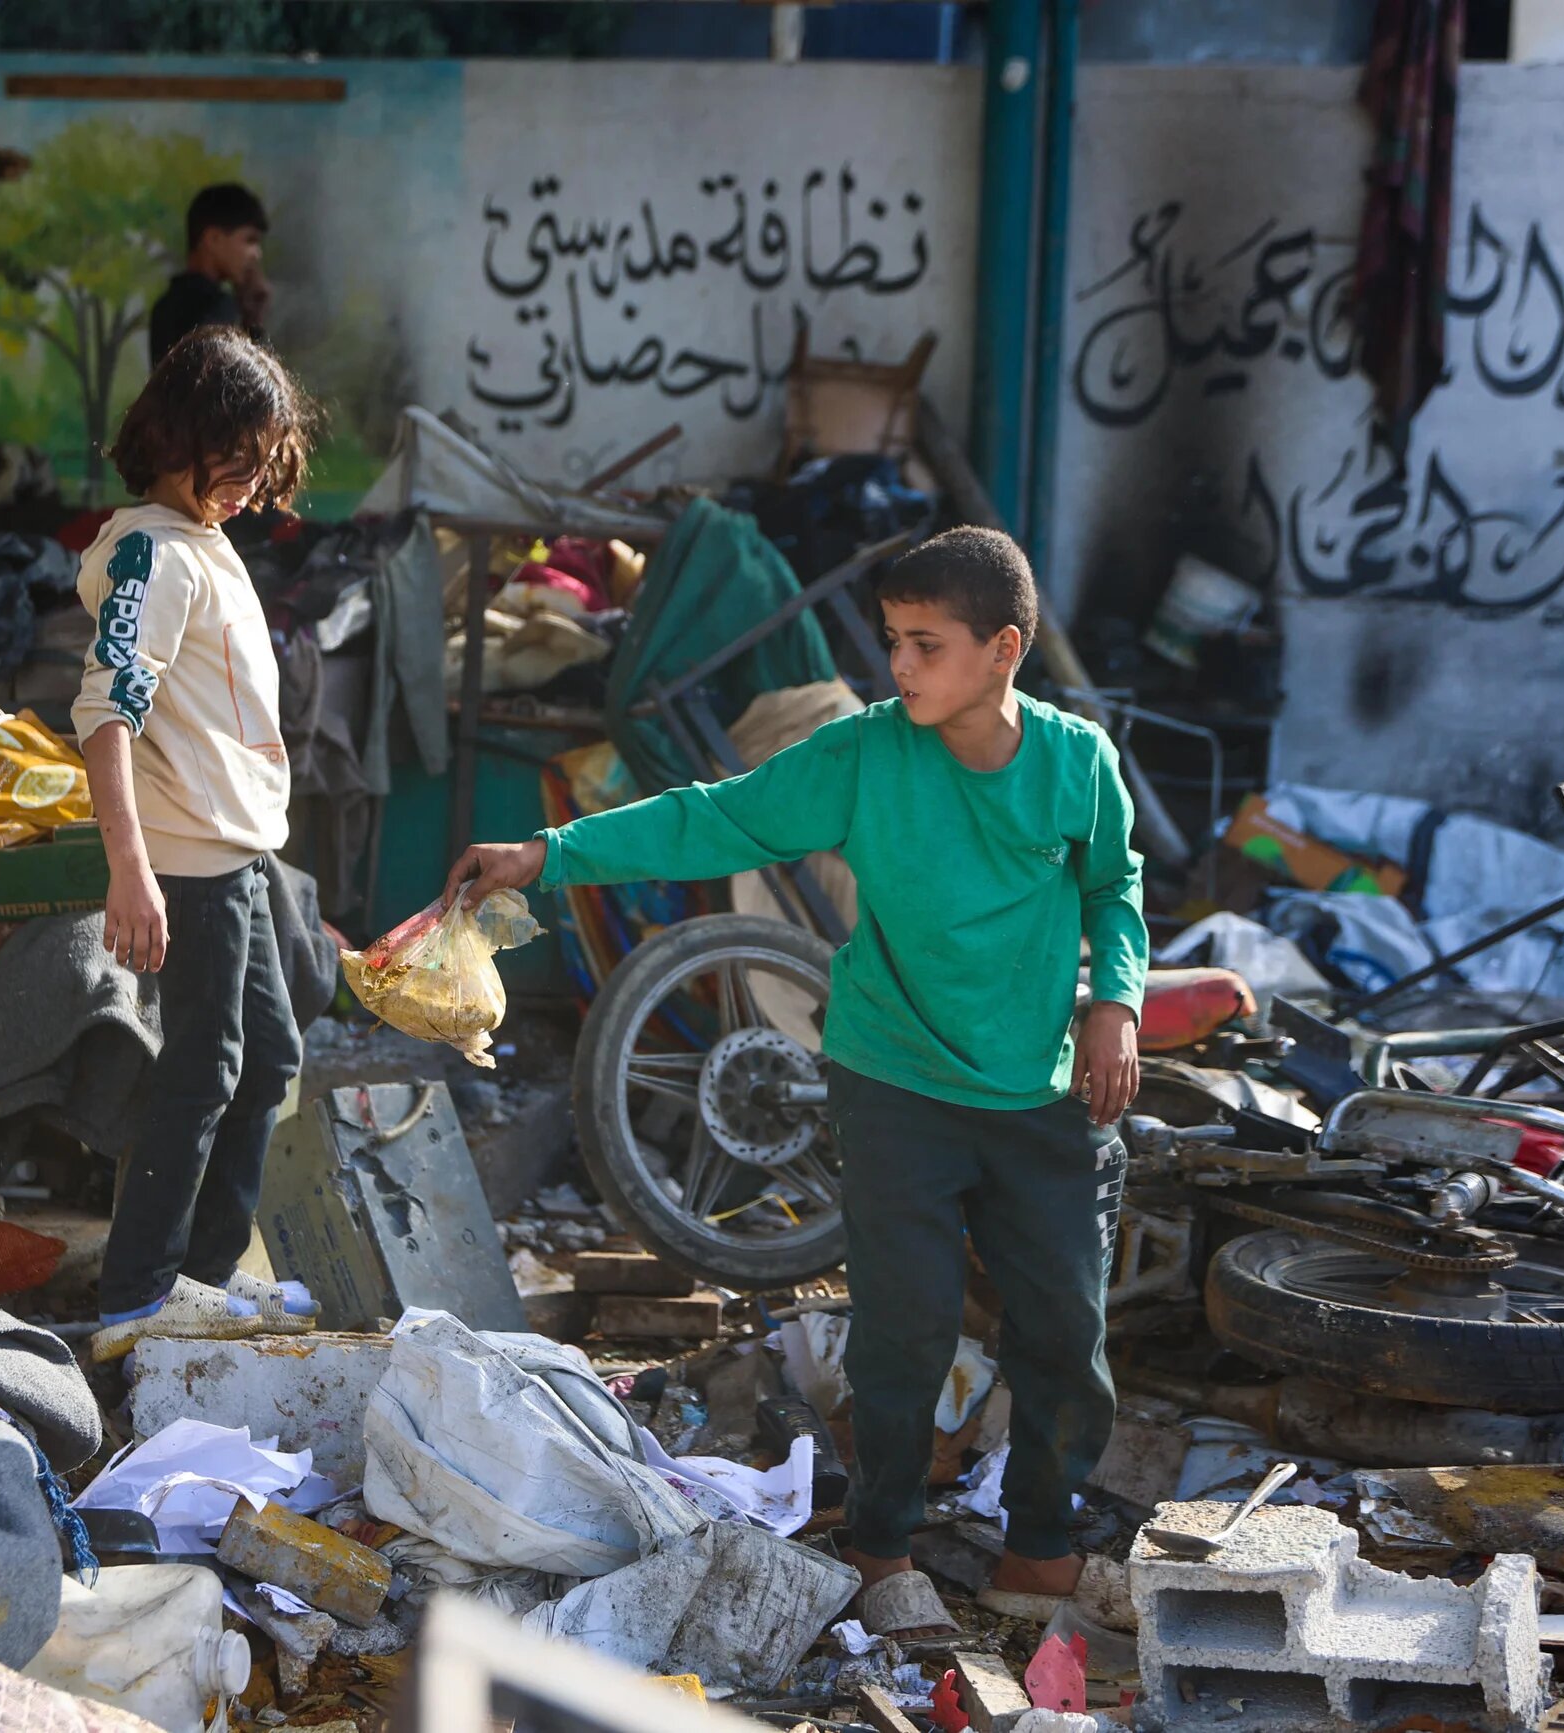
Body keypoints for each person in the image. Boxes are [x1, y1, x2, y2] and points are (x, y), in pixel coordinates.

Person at [444, 526, 1147, 1637]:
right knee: (903, 1332)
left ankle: (1041, 1553)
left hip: (1039, 1099)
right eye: (890, 643)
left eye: (924, 645)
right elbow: (712, 814)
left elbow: (1115, 891)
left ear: (1003, 649)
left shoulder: (1076, 763)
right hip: (893, 1083)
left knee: (1064, 1333)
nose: (897, 667)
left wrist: (1115, 999)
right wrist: (548, 853)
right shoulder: (862, 755)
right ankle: (879, 1545)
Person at [74, 325, 324, 1362]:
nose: (249, 479)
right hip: (190, 860)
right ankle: (134, 1299)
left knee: (266, 1057)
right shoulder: (145, 549)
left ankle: (203, 1283)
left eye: (263, 459)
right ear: (182, 433)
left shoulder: (199, 539)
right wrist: (129, 871)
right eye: (236, 453)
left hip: (242, 853)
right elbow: (105, 711)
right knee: (203, 1070)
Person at [149, 182, 271, 369]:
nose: (256, 253)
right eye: (249, 240)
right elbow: (245, 389)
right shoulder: (218, 307)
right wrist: (254, 326)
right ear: (213, 239)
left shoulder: (164, 307)